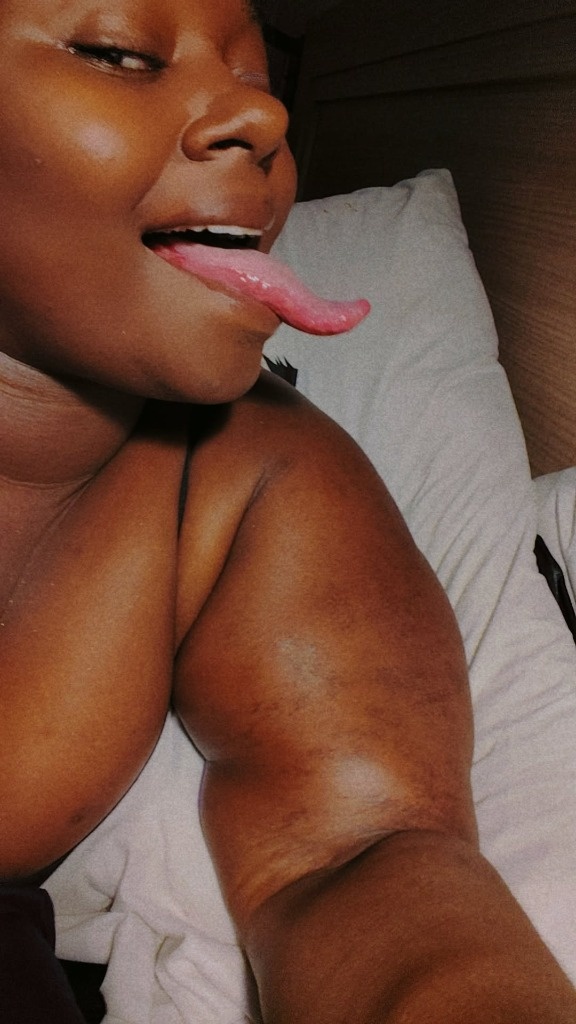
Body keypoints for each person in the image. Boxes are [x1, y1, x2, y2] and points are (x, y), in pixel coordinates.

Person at [0, 0, 574, 1021]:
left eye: (257, 82)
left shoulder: (245, 476)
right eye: (121, 55)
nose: (262, 119)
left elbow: (356, 854)